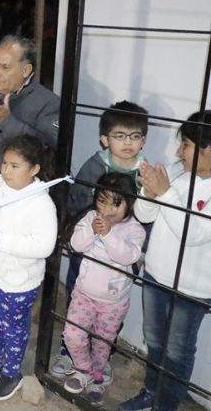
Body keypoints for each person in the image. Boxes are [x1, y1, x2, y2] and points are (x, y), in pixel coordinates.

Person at [51, 101, 149, 380]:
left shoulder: (146, 173)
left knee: (112, 307)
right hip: (88, 247)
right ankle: (68, 350)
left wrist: (138, 249)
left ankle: (101, 355)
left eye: (135, 136)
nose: (127, 143)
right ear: (105, 139)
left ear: (144, 140)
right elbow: (78, 200)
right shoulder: (95, 165)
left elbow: (149, 215)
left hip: (121, 254)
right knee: (77, 297)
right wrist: (87, 228)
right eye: (120, 135)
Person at [121, 111, 211, 411]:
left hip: (192, 288)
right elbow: (144, 216)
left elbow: (194, 234)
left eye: (185, 144)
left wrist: (165, 194)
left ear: (207, 148)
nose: (178, 152)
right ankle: (150, 391)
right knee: (155, 339)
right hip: (156, 274)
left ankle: (165, 403)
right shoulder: (175, 172)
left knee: (178, 350)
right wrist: (148, 192)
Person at [0, 135, 57, 401]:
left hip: (19, 279)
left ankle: (11, 372)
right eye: (5, 163)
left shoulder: (41, 203)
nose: (6, 170)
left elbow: (44, 246)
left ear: (34, 169)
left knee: (14, 327)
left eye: (15, 166)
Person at [61, 173, 145, 404]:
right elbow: (76, 245)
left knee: (102, 343)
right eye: (102, 201)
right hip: (84, 294)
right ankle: (85, 370)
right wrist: (92, 230)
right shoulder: (90, 218)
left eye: (116, 203)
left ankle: (97, 376)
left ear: (130, 203)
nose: (107, 209)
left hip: (113, 304)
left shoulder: (135, 230)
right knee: (72, 334)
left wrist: (107, 234)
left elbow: (127, 256)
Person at [0, 35, 60, 179]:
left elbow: (48, 152)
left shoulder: (48, 103)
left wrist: (6, 122)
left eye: (5, 67)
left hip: (13, 192)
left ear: (26, 71)